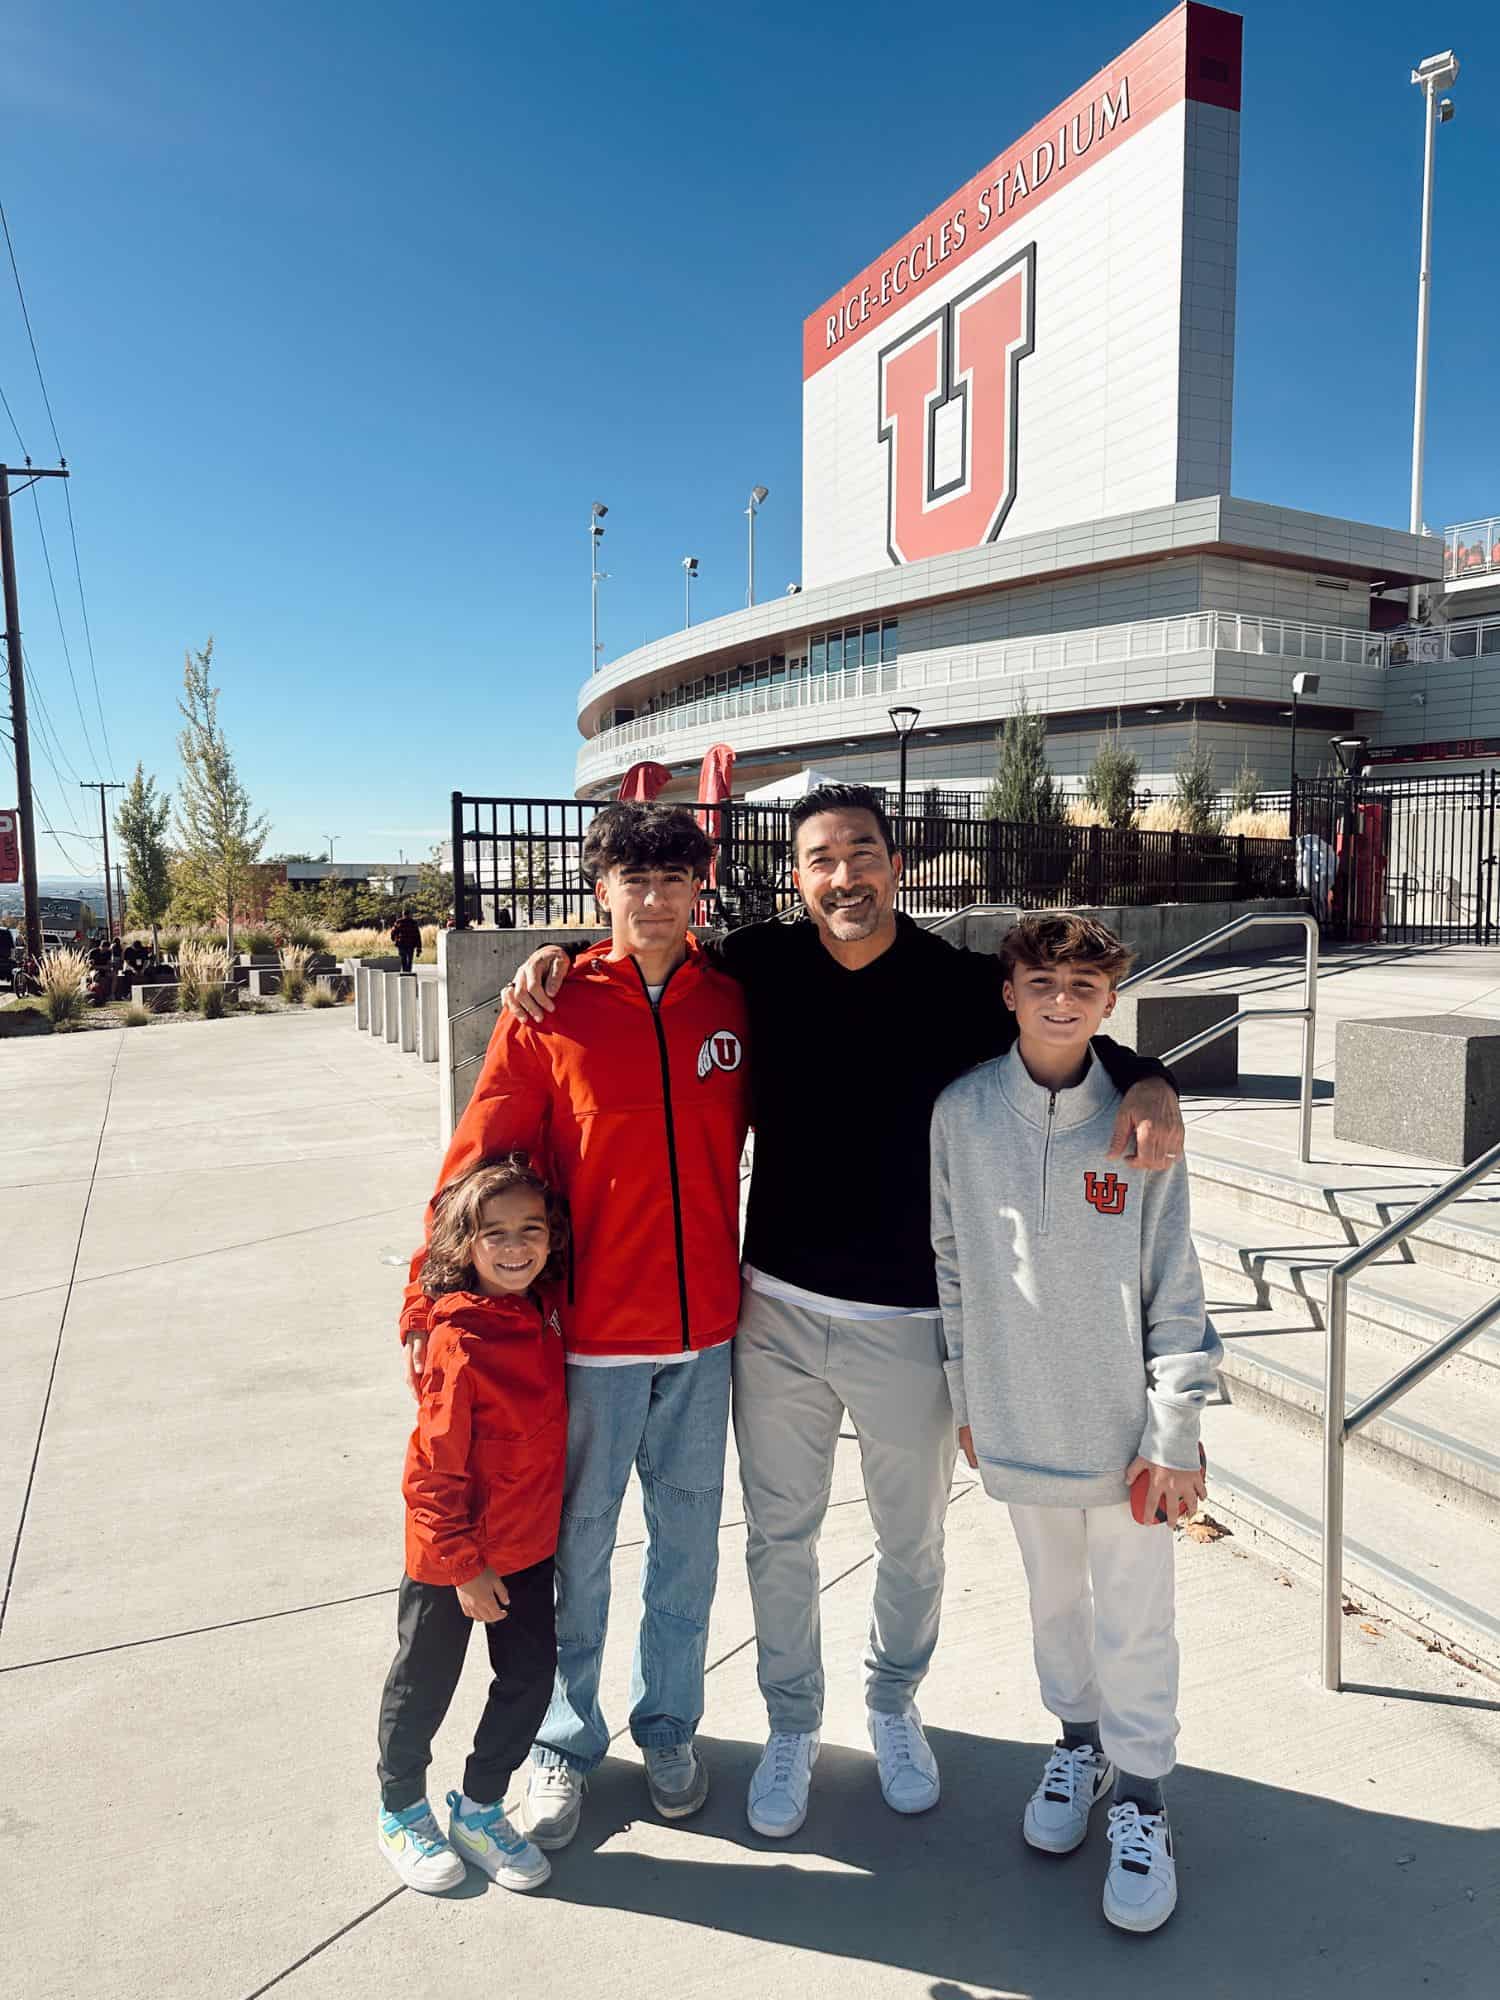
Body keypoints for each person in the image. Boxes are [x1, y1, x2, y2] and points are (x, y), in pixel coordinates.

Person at [504, 782, 1183, 1840]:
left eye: (861, 852)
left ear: (894, 864)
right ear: (797, 877)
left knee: (910, 1542)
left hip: (907, 1321)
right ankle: (790, 1722)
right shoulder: (755, 968)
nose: (843, 875)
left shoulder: (964, 984)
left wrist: (1149, 1077)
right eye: (821, 858)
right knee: (781, 1536)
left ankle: (891, 1701)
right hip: (772, 1310)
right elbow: (641, 956)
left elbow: (1065, 1033)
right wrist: (550, 960)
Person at [400, 801, 751, 1851]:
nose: (654, 899)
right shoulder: (549, 1009)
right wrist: (428, 1293)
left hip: (706, 1333)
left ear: (700, 888)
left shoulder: (732, 1000)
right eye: (633, 880)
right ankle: (565, 1734)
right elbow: (479, 1155)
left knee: (686, 1545)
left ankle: (671, 1722)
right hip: (591, 1335)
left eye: (674, 879)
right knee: (578, 1551)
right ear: (602, 890)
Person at [931, 913, 1220, 1934]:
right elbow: (953, 1264)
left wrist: (1175, 1426)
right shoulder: (961, 1113)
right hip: (1015, 1419)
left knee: (1136, 1615)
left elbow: (1175, 1284)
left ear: (1111, 1002)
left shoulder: (1145, 1120)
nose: (1062, 998)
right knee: (1053, 1601)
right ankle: (1079, 1744)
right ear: (1008, 991)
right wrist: (969, 1393)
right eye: (1043, 979)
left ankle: (1143, 1797)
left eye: (1084, 986)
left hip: (1124, 1431)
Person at [376, 1154, 567, 1896]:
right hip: (452, 1558)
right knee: (424, 1684)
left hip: (526, 1549)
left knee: (528, 1677)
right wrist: (462, 1565)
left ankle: (481, 1806)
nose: (516, 1247)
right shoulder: (458, 1343)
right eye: (495, 1234)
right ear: (464, 1244)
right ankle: (399, 1808)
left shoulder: (545, 1310)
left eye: (532, 1230)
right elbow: (430, 1472)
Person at [391, 908, 422, 975]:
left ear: (403, 914)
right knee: (409, 960)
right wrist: (419, 948)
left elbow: (393, 932)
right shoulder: (413, 923)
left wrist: (394, 939)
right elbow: (417, 936)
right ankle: (408, 973)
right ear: (409, 914)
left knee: (403, 959)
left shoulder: (398, 922)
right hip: (411, 944)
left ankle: (405, 973)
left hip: (401, 944)